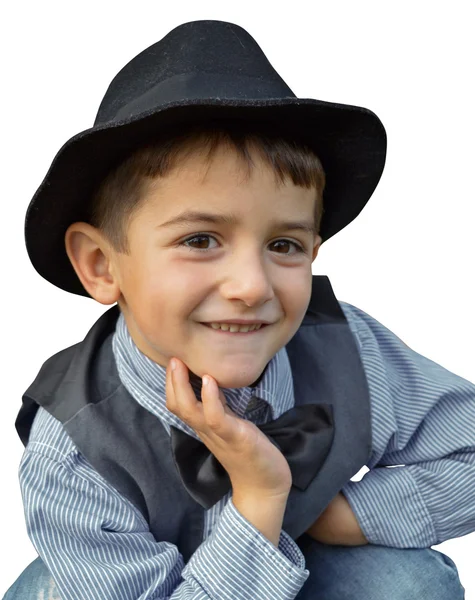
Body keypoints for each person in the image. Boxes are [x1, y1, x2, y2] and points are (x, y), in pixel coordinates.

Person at [3, 19, 473, 600]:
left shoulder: (348, 350)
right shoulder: (73, 452)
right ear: (102, 264)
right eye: (200, 240)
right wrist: (257, 498)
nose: (252, 286)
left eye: (284, 246)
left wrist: (345, 516)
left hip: (292, 562)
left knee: (409, 586)